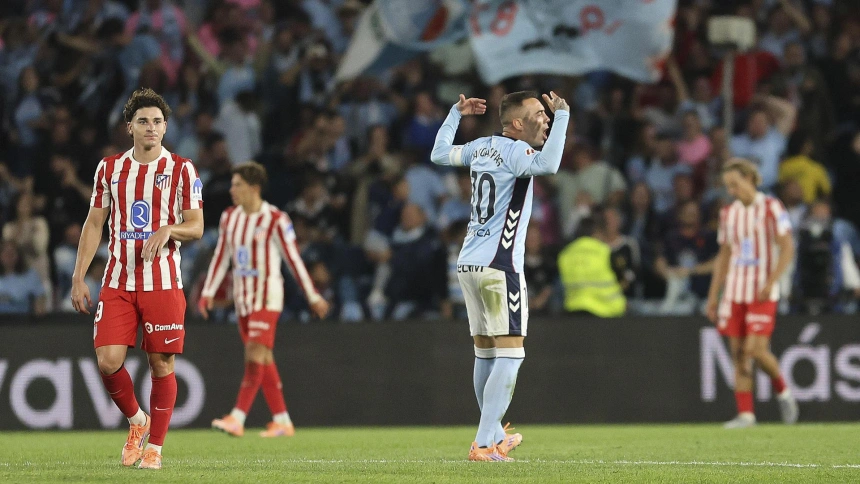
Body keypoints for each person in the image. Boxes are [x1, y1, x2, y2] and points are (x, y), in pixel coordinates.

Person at [430, 90, 570, 461]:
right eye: (539, 113)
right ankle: (482, 444)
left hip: (468, 263)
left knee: (486, 354)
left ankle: (493, 435)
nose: (546, 118)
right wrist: (564, 117)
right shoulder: (517, 152)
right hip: (500, 264)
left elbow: (439, 154)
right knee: (511, 355)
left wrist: (455, 114)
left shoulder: (481, 147)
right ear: (517, 123)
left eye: (548, 114)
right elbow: (549, 164)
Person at [70, 88, 204, 470]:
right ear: (129, 126)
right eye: (143, 121)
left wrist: (169, 230)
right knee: (107, 361)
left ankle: (154, 448)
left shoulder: (182, 169)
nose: (151, 127)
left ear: (166, 127)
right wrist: (79, 276)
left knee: (161, 364)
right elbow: (94, 222)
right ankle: (137, 421)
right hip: (118, 280)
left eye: (157, 121)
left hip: (163, 283)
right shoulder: (109, 169)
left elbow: (196, 226)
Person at [199, 161, 329, 438]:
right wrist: (208, 291)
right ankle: (282, 420)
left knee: (254, 354)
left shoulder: (276, 219)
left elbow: (293, 259)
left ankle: (237, 417)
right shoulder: (229, 217)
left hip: (267, 297)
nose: (232, 190)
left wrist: (312, 295)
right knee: (264, 358)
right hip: (243, 300)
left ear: (254, 188)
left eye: (237, 185)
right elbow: (222, 256)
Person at [705, 158, 799, 429]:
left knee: (755, 350)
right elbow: (724, 255)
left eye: (734, 184)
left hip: (761, 291)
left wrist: (772, 281)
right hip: (734, 291)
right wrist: (713, 295)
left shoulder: (771, 207)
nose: (731, 191)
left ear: (749, 178)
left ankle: (784, 392)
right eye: (728, 186)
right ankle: (746, 414)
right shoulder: (728, 213)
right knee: (738, 354)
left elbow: (787, 246)